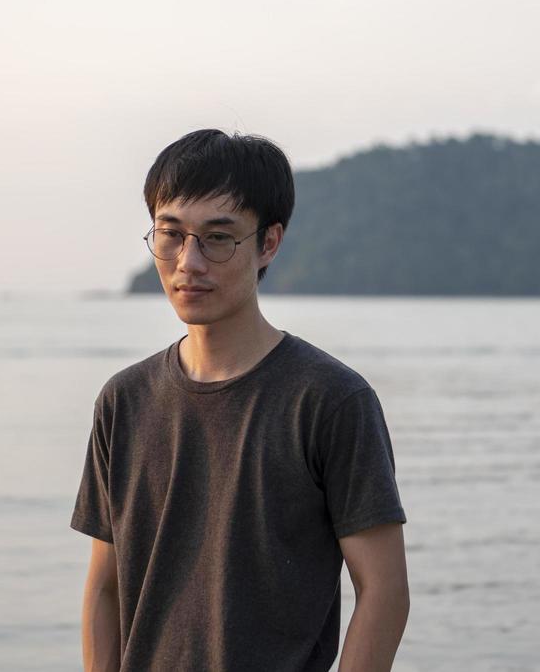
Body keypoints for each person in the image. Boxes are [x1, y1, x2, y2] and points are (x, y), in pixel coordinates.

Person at [72, 129, 409, 672]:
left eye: (218, 238)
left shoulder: (331, 400)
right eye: (171, 234)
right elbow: (105, 587)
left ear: (268, 243)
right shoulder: (124, 401)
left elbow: (385, 590)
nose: (189, 262)